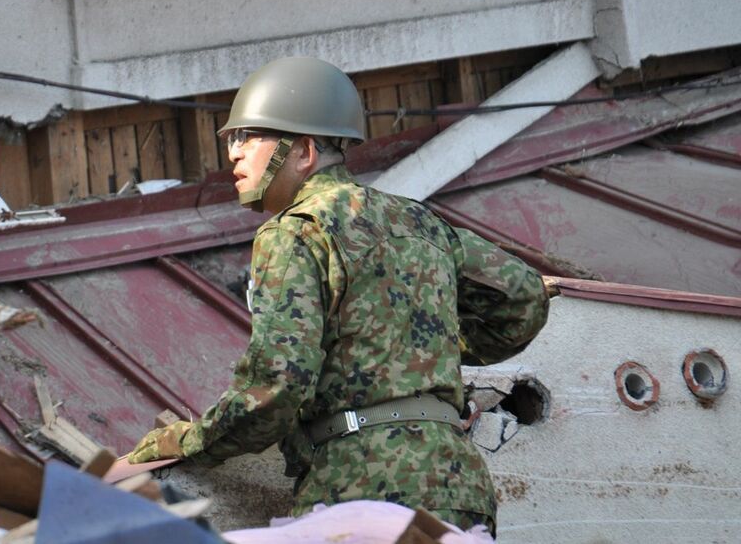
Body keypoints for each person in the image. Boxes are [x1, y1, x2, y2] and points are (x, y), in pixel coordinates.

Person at [127, 57, 550, 533]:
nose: (234, 153)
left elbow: (275, 389)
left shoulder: (295, 232)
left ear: (304, 150)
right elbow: (524, 299)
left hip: (362, 491)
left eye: (251, 137)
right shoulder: (419, 220)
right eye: (232, 138)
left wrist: (189, 442)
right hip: (462, 488)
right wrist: (429, 355)